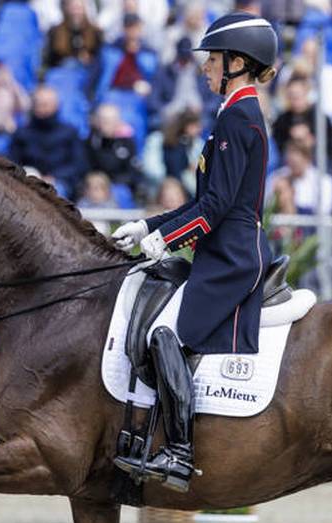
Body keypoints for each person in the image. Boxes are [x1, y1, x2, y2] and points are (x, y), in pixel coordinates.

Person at [109, 12, 278, 492]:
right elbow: (205, 201)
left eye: (213, 60)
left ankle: (180, 453)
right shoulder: (232, 112)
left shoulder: (240, 115)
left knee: (164, 331)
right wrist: (148, 224)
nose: (205, 68)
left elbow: (219, 205)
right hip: (219, 248)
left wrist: (164, 240)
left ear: (238, 63)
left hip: (232, 255)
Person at [9, 85, 88, 194]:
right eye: (38, 105)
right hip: (28, 181)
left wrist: (54, 177)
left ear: (56, 106)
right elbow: (13, 162)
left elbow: (78, 164)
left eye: (45, 105)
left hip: (60, 183)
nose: (42, 109)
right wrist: (31, 176)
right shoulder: (22, 133)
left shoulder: (69, 132)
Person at [95, 12, 158, 100]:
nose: (133, 31)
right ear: (123, 29)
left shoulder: (149, 54)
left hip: (140, 97)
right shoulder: (111, 51)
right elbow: (100, 78)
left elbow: (154, 80)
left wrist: (138, 54)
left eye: (136, 27)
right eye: (129, 27)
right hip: (113, 94)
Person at [265, 139, 332, 216]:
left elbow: (324, 211)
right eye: (290, 160)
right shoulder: (278, 176)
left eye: (296, 161)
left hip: (310, 226)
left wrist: (290, 204)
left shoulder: (324, 181)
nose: (293, 165)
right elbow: (265, 206)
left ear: (307, 158)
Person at [85, 102, 141, 196]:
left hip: (119, 185)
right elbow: (86, 168)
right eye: (103, 120)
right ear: (97, 121)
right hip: (95, 185)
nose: (106, 123)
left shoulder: (127, 142)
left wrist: (111, 183)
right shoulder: (90, 142)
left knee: (120, 193)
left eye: (110, 120)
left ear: (118, 122)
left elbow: (133, 171)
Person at [44, 0, 102, 70]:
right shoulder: (55, 32)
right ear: (65, 9)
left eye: (78, 8)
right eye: (72, 8)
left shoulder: (95, 32)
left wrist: (89, 58)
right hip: (63, 72)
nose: (75, 12)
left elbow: (99, 55)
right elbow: (50, 60)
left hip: (89, 71)